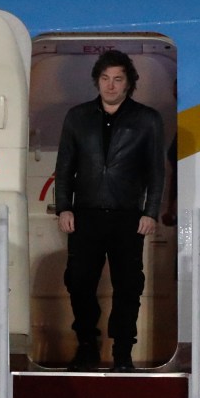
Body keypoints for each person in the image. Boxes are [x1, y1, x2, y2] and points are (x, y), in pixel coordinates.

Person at [55, 50, 165, 372]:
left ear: (129, 82)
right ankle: (87, 345)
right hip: (85, 214)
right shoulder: (77, 117)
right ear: (96, 81)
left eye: (118, 79)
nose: (110, 86)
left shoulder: (147, 119)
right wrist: (64, 207)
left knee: (129, 286)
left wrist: (151, 212)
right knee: (78, 281)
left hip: (128, 216)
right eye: (105, 78)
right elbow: (64, 168)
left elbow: (156, 171)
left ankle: (122, 354)